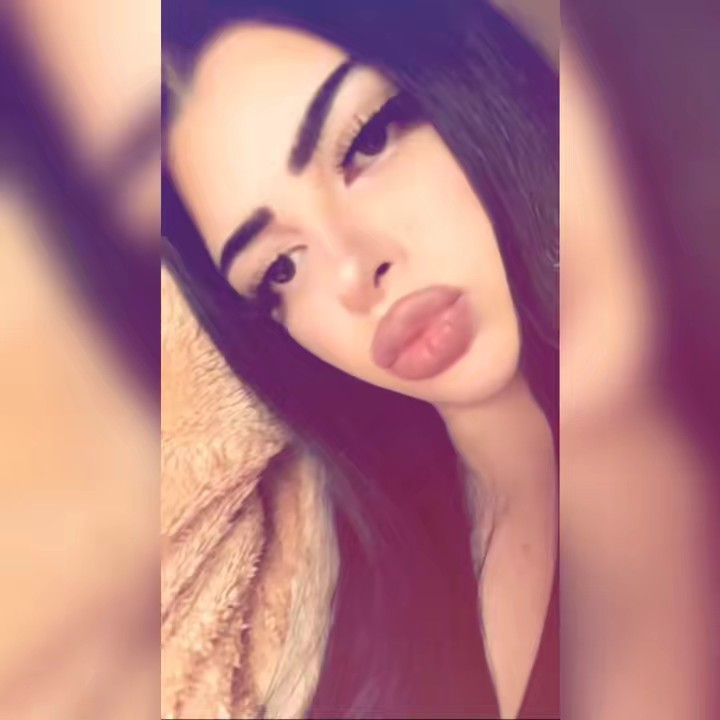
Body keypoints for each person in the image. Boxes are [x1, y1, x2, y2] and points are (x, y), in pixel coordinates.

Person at [162, 1, 559, 717]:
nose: (352, 272)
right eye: (280, 268)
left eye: (368, 141)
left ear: (468, 77)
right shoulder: (333, 607)